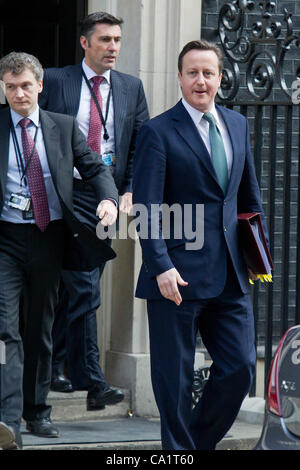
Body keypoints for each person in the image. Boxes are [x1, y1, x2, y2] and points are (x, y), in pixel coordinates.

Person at [133, 40, 269, 450]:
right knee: (174, 383)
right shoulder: (157, 131)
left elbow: (248, 198)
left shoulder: (237, 124)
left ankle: (194, 445)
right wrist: (160, 266)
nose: (200, 80)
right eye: (192, 72)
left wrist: (257, 254)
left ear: (220, 78)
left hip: (230, 274)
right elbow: (146, 208)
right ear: (179, 78)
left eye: (208, 72)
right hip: (176, 276)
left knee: (240, 369)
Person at [0, 51, 118, 450]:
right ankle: (8, 419)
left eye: (25, 86)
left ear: (40, 86)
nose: (18, 93)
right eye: (10, 86)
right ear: (4, 87)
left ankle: (37, 411)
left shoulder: (63, 127)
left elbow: (96, 167)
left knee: (40, 328)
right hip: (6, 241)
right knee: (6, 328)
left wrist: (109, 199)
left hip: (49, 237)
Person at [39, 11, 149, 409]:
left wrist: (130, 189)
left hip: (105, 197)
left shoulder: (131, 88)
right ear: (84, 43)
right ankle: (93, 381)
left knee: (78, 286)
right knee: (84, 284)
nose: (113, 48)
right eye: (105, 40)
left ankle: (55, 366)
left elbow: (140, 144)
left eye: (117, 40)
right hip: (63, 196)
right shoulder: (54, 80)